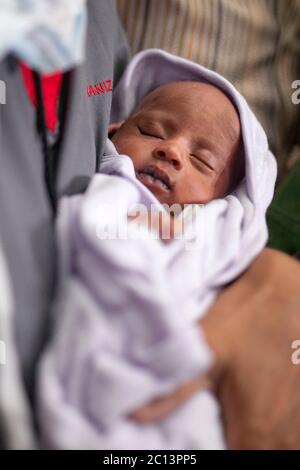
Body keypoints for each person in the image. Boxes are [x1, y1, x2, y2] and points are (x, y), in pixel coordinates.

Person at [36, 49, 276, 449]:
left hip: (176, 368)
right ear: (114, 130)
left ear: (224, 198)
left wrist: (184, 232)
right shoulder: (113, 183)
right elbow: (91, 228)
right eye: (151, 131)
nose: (172, 151)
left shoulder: (210, 227)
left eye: (201, 160)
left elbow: (216, 261)